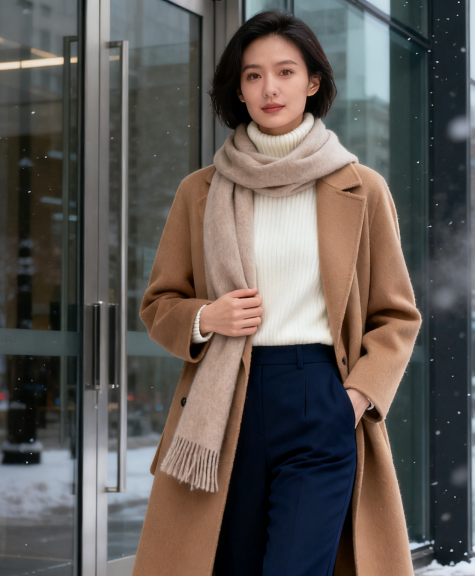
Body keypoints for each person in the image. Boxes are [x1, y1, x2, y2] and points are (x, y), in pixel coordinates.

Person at [131, 10, 422, 576]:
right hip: (226, 403)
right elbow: (159, 305)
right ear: (238, 90)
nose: (270, 88)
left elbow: (396, 315)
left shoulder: (360, 188)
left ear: (313, 82)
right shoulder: (201, 191)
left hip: (321, 394)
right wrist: (207, 317)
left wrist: (355, 398)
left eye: (286, 72)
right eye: (253, 75)